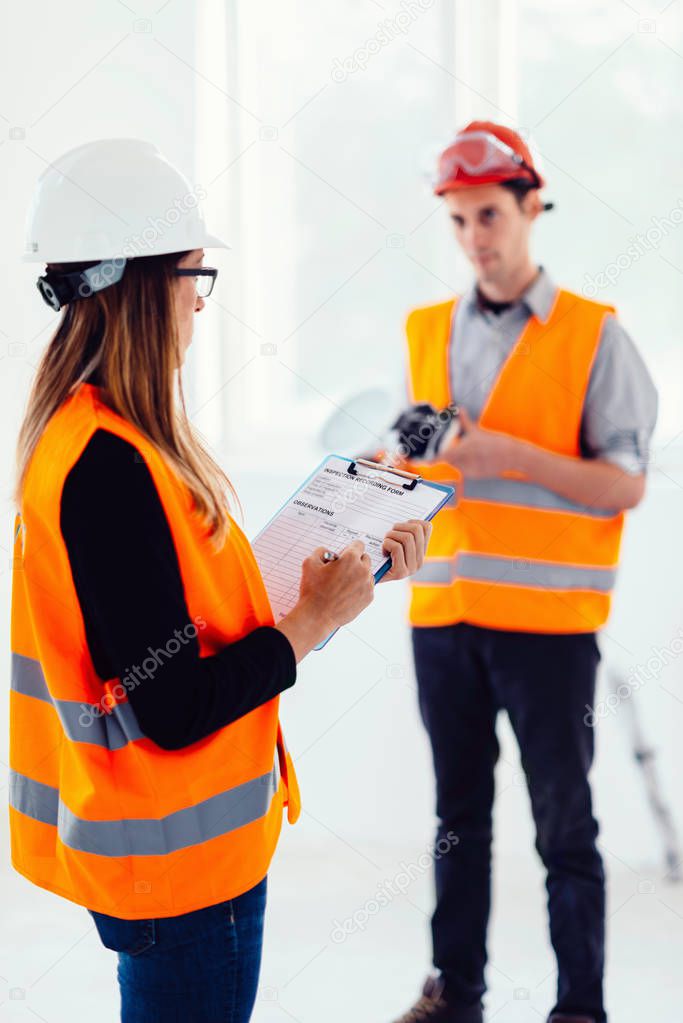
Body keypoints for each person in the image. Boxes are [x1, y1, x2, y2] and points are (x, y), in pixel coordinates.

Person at [9, 138, 431, 1023]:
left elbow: (190, 613)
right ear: (144, 285)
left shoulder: (107, 440)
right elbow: (172, 706)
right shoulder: (109, 468)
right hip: (181, 878)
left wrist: (344, 576)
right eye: (196, 280)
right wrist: (310, 627)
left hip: (177, 866)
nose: (200, 310)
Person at [388, 122, 658, 1023]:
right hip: (443, 617)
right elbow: (416, 462)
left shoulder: (593, 335)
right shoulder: (424, 331)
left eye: (490, 215)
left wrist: (507, 454)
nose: (476, 237)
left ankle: (579, 1007)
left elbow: (622, 482)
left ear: (531, 205)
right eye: (460, 220)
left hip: (548, 631)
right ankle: (453, 995)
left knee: (564, 828)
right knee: (455, 819)